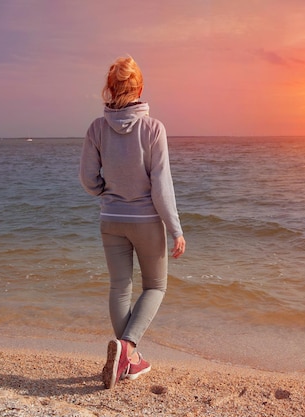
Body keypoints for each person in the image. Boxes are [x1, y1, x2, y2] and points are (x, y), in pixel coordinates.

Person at [79, 56, 186, 389]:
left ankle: (128, 359)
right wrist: (175, 228)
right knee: (155, 286)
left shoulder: (97, 128)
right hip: (145, 221)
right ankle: (128, 349)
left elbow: (87, 179)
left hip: (110, 219)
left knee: (118, 288)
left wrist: (104, 190)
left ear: (109, 90)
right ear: (140, 88)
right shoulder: (153, 128)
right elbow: (161, 185)